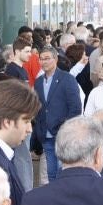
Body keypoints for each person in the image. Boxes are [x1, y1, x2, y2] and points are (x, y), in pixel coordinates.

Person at [33, 46, 83, 183]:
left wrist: (65, 127)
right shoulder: (38, 82)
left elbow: (76, 108)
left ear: (55, 59)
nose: (44, 62)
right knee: (51, 172)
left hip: (62, 134)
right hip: (46, 134)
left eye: (47, 58)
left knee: (63, 171)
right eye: (41, 59)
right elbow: (37, 107)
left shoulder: (67, 79)